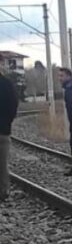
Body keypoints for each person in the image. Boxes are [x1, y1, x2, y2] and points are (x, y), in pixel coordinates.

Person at [0, 69, 18, 201]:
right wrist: (7, 122)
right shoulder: (7, 84)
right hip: (3, 129)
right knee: (2, 163)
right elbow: (13, 106)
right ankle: (4, 191)